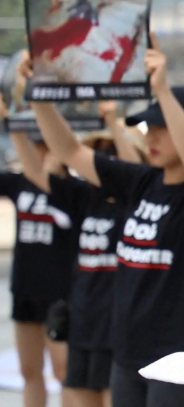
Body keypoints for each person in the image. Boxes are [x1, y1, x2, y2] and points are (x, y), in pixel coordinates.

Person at [25, 33, 184, 407]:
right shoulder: (141, 181)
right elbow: (70, 150)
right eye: (149, 128)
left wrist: (163, 90)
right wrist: (39, 96)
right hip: (128, 351)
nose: (151, 136)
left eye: (161, 127)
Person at [5, 87, 145, 406]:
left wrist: (113, 125)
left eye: (111, 151)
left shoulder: (138, 202)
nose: (106, 158)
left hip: (117, 326)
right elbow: (37, 173)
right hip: (83, 321)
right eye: (98, 151)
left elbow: (136, 171)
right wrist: (13, 124)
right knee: (73, 393)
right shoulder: (86, 198)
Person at [0, 94, 73, 407]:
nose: (42, 151)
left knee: (64, 371)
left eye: (47, 145)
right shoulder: (21, 183)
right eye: (38, 145)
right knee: (29, 370)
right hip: (25, 288)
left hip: (60, 292)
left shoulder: (74, 191)